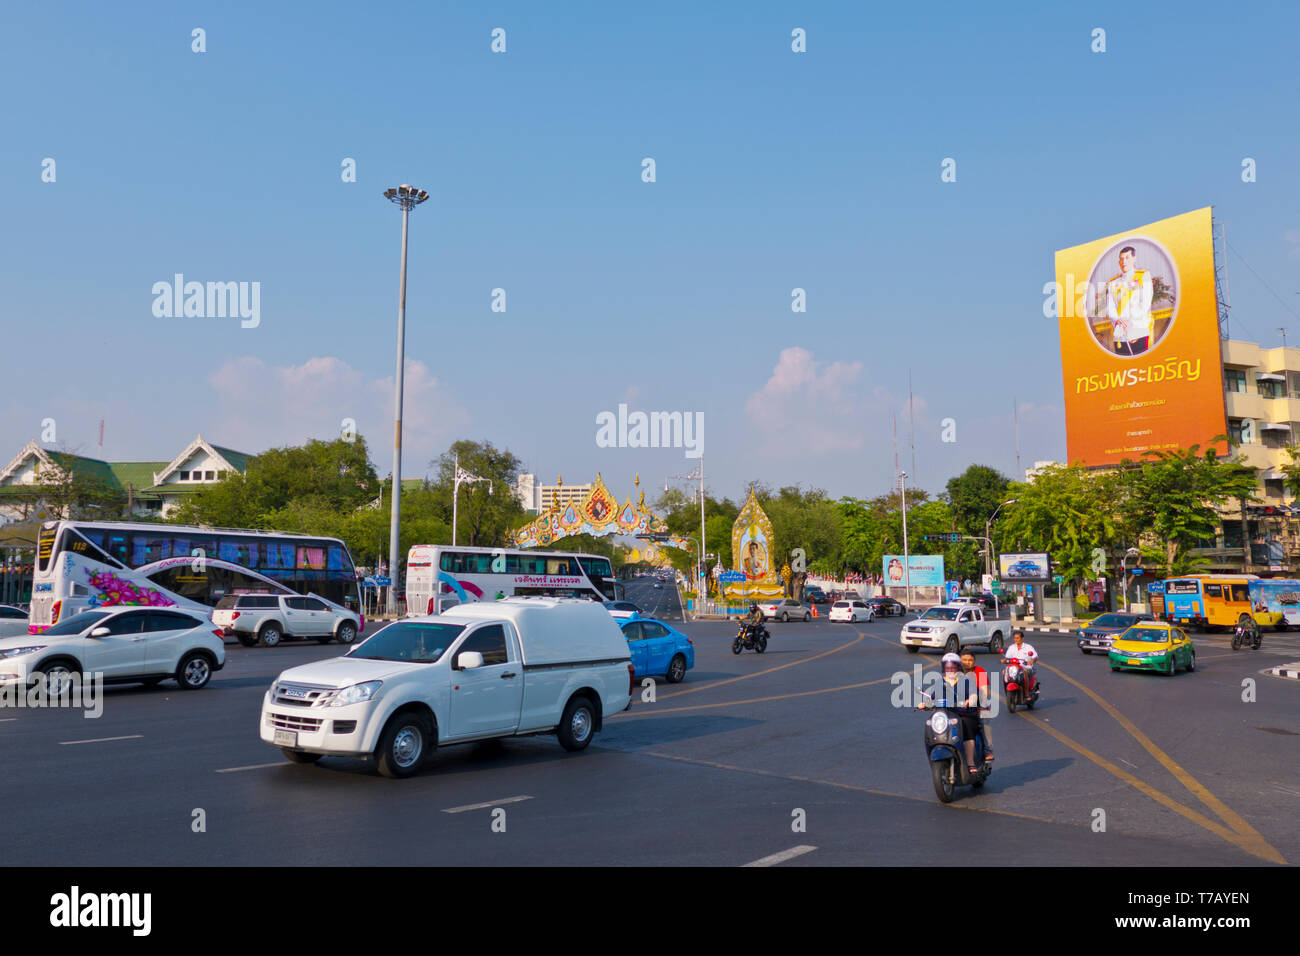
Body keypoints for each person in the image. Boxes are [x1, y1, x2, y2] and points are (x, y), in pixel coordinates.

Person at [918, 652, 983, 775]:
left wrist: (971, 700)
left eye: (953, 667)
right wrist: (924, 704)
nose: (950, 670)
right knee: (930, 724)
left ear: (958, 667)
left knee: (967, 726)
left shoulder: (966, 681)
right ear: (944, 668)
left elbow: (974, 694)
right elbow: (932, 698)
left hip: (965, 715)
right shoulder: (939, 683)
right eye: (947, 667)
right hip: (946, 715)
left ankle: (970, 762)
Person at [1106, 245, 1154, 356]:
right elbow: (1110, 307)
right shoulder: (1113, 283)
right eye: (1121, 259)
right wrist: (1118, 320)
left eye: (1127, 258)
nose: (1124, 261)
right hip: (1120, 335)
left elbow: (1145, 303)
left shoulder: (1143, 276)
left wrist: (1132, 329)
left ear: (1134, 258)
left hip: (1138, 331)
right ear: (1119, 262)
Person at [960, 651, 994, 762]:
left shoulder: (979, 671)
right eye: (964, 660)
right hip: (958, 706)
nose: (967, 663)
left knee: (984, 720)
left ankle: (988, 750)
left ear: (974, 662)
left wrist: (981, 705)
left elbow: (985, 692)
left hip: (978, 706)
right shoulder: (954, 671)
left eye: (970, 660)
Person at [1003, 629, 1040, 695]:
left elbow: (1035, 657)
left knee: (1024, 673)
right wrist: (1004, 660)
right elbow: (1007, 657)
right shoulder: (1011, 647)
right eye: (1014, 638)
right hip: (1014, 668)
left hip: (1026, 667)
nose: (1015, 640)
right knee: (1004, 672)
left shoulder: (1028, 647)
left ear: (1022, 638)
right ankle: (1007, 691)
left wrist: (1032, 661)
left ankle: (1026, 694)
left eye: (1017, 638)